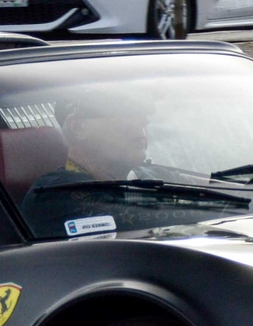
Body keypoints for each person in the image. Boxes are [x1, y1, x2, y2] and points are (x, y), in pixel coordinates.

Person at [17, 87, 160, 238]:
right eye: (125, 112)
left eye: (142, 113)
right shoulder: (52, 197)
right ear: (78, 127)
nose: (145, 120)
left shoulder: (155, 174)